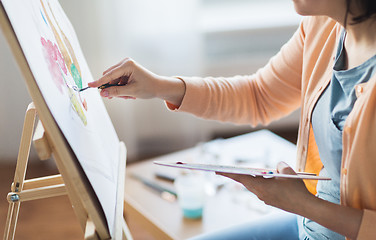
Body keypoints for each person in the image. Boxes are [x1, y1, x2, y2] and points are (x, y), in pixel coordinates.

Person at [89, 0, 376, 239]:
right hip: (307, 225)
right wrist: (159, 86)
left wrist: (303, 204)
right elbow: (259, 95)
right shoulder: (324, 26)